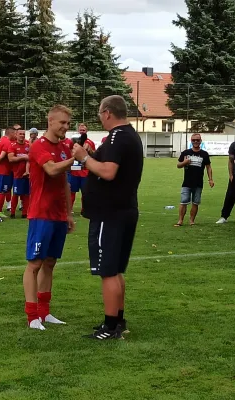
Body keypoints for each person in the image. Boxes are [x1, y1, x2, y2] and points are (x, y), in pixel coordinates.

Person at [73, 95, 143, 340]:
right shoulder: (130, 135)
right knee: (116, 269)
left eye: (100, 113)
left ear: (108, 113)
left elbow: (108, 172)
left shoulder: (116, 136)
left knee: (107, 271)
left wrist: (84, 157)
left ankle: (110, 326)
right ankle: (118, 320)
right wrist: (92, 155)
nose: (99, 118)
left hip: (110, 213)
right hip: (125, 209)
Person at [23, 105, 75, 330]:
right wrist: (74, 159)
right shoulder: (38, 146)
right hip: (40, 214)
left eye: (68, 123)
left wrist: (69, 213)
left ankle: (45, 312)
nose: (66, 127)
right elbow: (52, 170)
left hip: (58, 215)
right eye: (62, 123)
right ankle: (32, 316)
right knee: (34, 264)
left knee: (50, 263)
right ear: (51, 121)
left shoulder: (64, 146)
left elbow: (64, 181)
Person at [175, 134, 214, 227]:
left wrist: (210, 179)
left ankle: (192, 221)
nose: (195, 142)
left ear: (200, 141)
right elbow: (178, 165)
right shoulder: (186, 153)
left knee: (195, 203)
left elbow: (208, 167)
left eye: (197, 140)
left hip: (198, 183)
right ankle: (180, 221)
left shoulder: (204, 154)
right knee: (183, 201)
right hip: (187, 183)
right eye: (193, 140)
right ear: (191, 141)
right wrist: (185, 162)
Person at [69, 123, 96, 213]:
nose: (82, 132)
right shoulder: (72, 142)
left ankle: (84, 210)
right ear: (78, 131)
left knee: (85, 193)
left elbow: (94, 155)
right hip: (74, 172)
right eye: (80, 130)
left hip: (85, 172)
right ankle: (69, 209)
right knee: (71, 192)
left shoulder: (90, 142)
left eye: (83, 130)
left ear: (86, 131)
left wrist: (89, 150)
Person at [8, 128, 30, 218]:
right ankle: (12, 213)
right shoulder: (12, 146)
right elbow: (11, 159)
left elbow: (31, 159)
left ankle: (25, 213)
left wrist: (27, 171)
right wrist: (23, 157)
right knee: (16, 194)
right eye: (20, 134)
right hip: (17, 174)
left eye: (23, 134)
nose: (22, 136)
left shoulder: (28, 145)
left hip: (27, 174)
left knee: (27, 194)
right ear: (16, 135)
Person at [216, 139, 235, 224]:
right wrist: (231, 174)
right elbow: (231, 161)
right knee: (230, 196)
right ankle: (224, 216)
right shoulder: (234, 145)